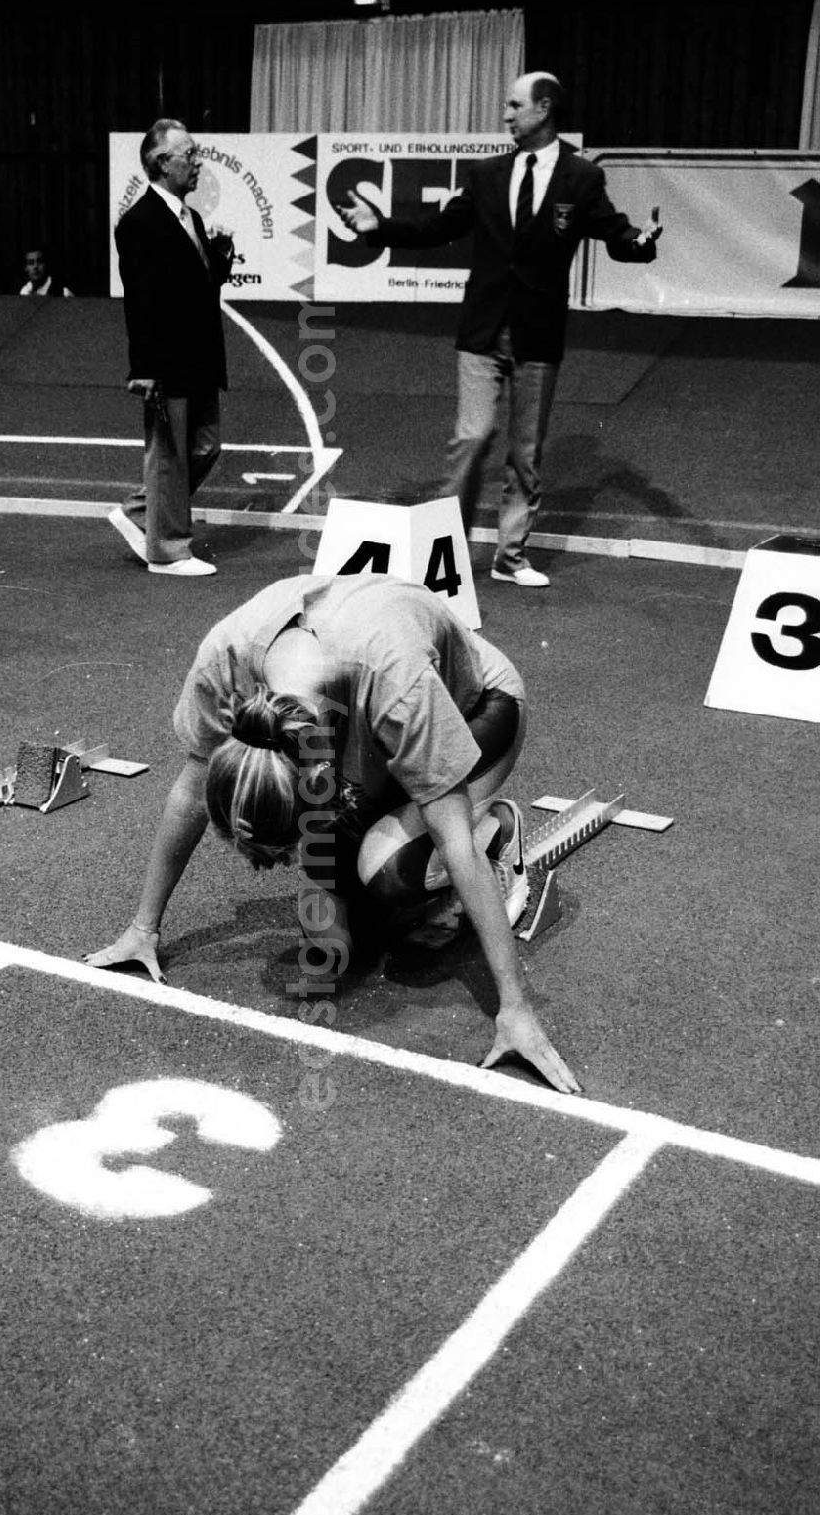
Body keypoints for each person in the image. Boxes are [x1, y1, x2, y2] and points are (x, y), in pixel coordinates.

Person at [84, 571, 581, 1095]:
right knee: (343, 942)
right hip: (362, 734)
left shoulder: (397, 685)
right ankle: (389, 832)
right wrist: (144, 928)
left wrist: (516, 1008)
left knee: (391, 875)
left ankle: (498, 830)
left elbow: (455, 843)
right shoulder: (226, 662)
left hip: (478, 708)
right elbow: (190, 794)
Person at [337, 71, 663, 589]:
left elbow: (613, 232)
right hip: (483, 330)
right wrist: (382, 228)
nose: (506, 114)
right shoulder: (487, 173)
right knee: (472, 437)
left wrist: (641, 243)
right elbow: (441, 226)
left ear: (545, 108)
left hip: (539, 334)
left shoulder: (581, 178)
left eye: (515, 105)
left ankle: (510, 557)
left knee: (525, 453)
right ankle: (443, 552)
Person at [108, 117, 235, 579]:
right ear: (163, 163)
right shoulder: (139, 222)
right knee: (169, 455)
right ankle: (167, 552)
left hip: (200, 356)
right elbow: (140, 301)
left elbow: (203, 285)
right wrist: (143, 368)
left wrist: (219, 251)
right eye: (190, 155)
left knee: (204, 447)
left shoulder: (191, 218)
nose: (198, 163)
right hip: (166, 360)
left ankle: (142, 513)